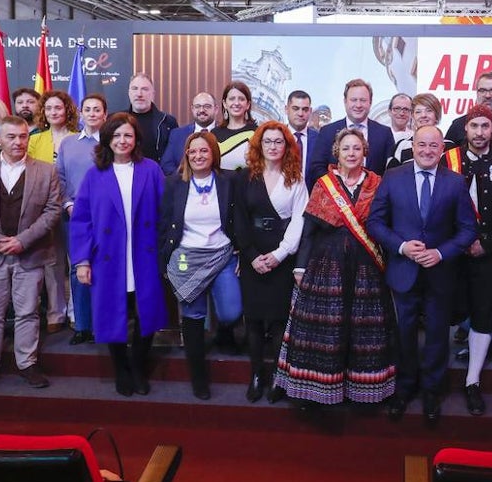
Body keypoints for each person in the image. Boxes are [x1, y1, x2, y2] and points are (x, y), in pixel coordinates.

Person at [272, 127, 396, 406]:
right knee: (324, 331)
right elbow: (310, 231)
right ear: (336, 152)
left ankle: (363, 391)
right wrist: (300, 268)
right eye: (346, 148)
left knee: (365, 331)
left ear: (365, 151)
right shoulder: (323, 184)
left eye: (356, 148)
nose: (351, 153)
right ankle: (316, 391)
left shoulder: (377, 183)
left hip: (367, 266)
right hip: (327, 266)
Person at [369, 125, 477, 423]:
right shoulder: (392, 178)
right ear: (412, 146)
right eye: (422, 145)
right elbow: (376, 223)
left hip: (440, 272)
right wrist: (402, 246)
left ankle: (432, 391)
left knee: (437, 334)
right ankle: (404, 388)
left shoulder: (455, 182)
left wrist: (441, 252)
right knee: (403, 333)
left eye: (433, 146)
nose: (427, 151)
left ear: (442, 149)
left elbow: (468, 229)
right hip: (403, 270)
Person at [0, 116, 62, 396]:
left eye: (22, 137)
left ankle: (27, 363)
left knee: (28, 313)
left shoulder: (46, 171)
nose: (18, 142)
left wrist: (22, 240)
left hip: (30, 253)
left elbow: (53, 211)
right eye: (12, 137)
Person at [70, 113, 167, 397]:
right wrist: (83, 261)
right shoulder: (94, 174)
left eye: (128, 135)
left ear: (136, 139)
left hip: (144, 255)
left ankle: (138, 365)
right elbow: (82, 220)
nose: (122, 141)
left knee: (146, 313)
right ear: (107, 139)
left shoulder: (151, 169)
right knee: (113, 314)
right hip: (108, 257)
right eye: (116, 136)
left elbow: (164, 212)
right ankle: (121, 369)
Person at [160, 131, 241, 400]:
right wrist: (164, 259)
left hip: (223, 255)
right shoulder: (174, 183)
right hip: (186, 257)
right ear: (186, 155)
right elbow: (164, 223)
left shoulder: (229, 180)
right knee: (193, 317)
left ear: (213, 154)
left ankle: (221, 335)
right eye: (193, 151)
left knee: (231, 312)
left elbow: (239, 216)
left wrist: (242, 249)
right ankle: (198, 379)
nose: (198, 156)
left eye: (204, 151)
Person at [445, 105, 492, 416]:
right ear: (465, 129)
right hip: (451, 251)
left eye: (485, 126)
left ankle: (472, 380)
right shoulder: (449, 160)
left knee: (485, 312)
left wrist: (486, 243)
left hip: (488, 251)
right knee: (449, 309)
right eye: (474, 126)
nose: (479, 132)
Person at [233, 123, 309, 401]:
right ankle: (256, 375)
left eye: (279, 142)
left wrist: (280, 254)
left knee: (278, 322)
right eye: (268, 141)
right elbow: (238, 220)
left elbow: (300, 219)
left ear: (287, 146)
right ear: (259, 145)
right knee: (253, 320)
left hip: (282, 255)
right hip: (253, 254)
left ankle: (278, 377)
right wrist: (251, 256)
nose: (273, 146)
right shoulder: (244, 178)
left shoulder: (296, 177)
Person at [56, 93, 107, 345]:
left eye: (97, 109)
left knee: (104, 268)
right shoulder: (68, 143)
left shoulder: (111, 143)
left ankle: (101, 324)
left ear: (105, 114)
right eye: (88, 109)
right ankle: (83, 326)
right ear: (81, 113)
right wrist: (67, 204)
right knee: (79, 269)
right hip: (74, 216)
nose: (92, 113)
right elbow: (61, 178)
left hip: (106, 216)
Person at [27, 90, 78, 333]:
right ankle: (56, 313)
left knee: (77, 261)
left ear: (67, 110)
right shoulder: (34, 140)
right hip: (43, 209)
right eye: (49, 108)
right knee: (53, 262)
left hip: (75, 210)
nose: (54, 112)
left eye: (58, 107)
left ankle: (76, 312)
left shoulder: (81, 139)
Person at [307, 78, 397, 183]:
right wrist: (338, 190)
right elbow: (317, 168)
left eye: (363, 100)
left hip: (375, 197)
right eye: (353, 100)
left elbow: (391, 172)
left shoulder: (384, 133)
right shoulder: (327, 132)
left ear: (370, 102)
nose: (358, 105)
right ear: (345, 102)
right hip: (335, 196)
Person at [389, 93, 456, 167]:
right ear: (412, 116)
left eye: (429, 111)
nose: (423, 115)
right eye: (418, 112)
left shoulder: (450, 146)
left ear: (437, 115)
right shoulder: (402, 145)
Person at [123, 73, 178, 163]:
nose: (139, 94)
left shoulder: (168, 122)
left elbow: (175, 155)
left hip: (158, 175)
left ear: (153, 94)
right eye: (135, 89)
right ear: (129, 93)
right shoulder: (116, 121)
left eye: (144, 89)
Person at [160, 91, 218, 175]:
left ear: (216, 109)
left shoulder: (224, 133)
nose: (201, 110)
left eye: (207, 106)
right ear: (192, 109)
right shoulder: (177, 135)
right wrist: (186, 180)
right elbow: (166, 165)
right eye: (197, 106)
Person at [212, 80, 259, 170]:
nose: (236, 103)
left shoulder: (257, 133)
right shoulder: (214, 134)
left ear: (248, 104)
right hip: (221, 183)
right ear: (225, 104)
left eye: (241, 99)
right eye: (232, 99)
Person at [284, 89, 318, 182]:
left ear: (310, 111)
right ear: (286, 109)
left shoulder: (319, 140)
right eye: (295, 108)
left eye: (305, 109)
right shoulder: (276, 137)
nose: (300, 114)